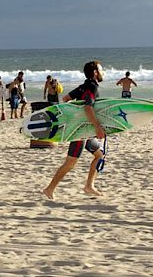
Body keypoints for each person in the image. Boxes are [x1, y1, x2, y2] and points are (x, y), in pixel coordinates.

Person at [43, 61, 106, 200]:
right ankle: (49, 189)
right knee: (70, 163)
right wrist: (97, 126)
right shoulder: (93, 87)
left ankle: (89, 186)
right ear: (95, 72)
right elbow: (88, 107)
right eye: (101, 69)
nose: (103, 72)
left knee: (100, 155)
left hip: (85, 131)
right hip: (80, 132)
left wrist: (73, 117)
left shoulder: (84, 86)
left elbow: (66, 99)